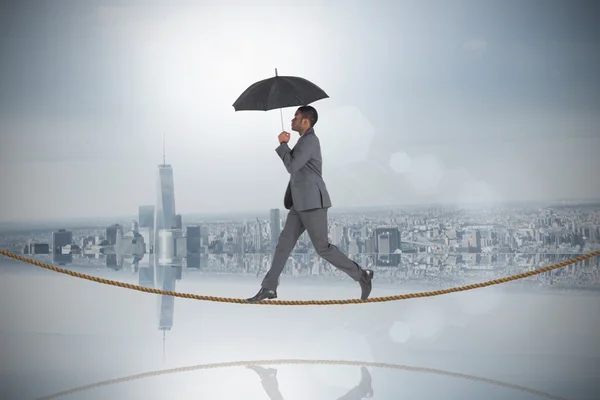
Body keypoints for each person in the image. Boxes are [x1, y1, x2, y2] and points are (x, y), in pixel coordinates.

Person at [246, 105, 374, 303]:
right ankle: (269, 288)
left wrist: (282, 145)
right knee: (283, 245)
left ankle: (362, 275)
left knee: (323, 249)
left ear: (306, 121)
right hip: (299, 204)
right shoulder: (303, 141)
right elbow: (297, 170)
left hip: (313, 203)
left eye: (296, 117)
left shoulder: (310, 141)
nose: (292, 120)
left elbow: (292, 166)